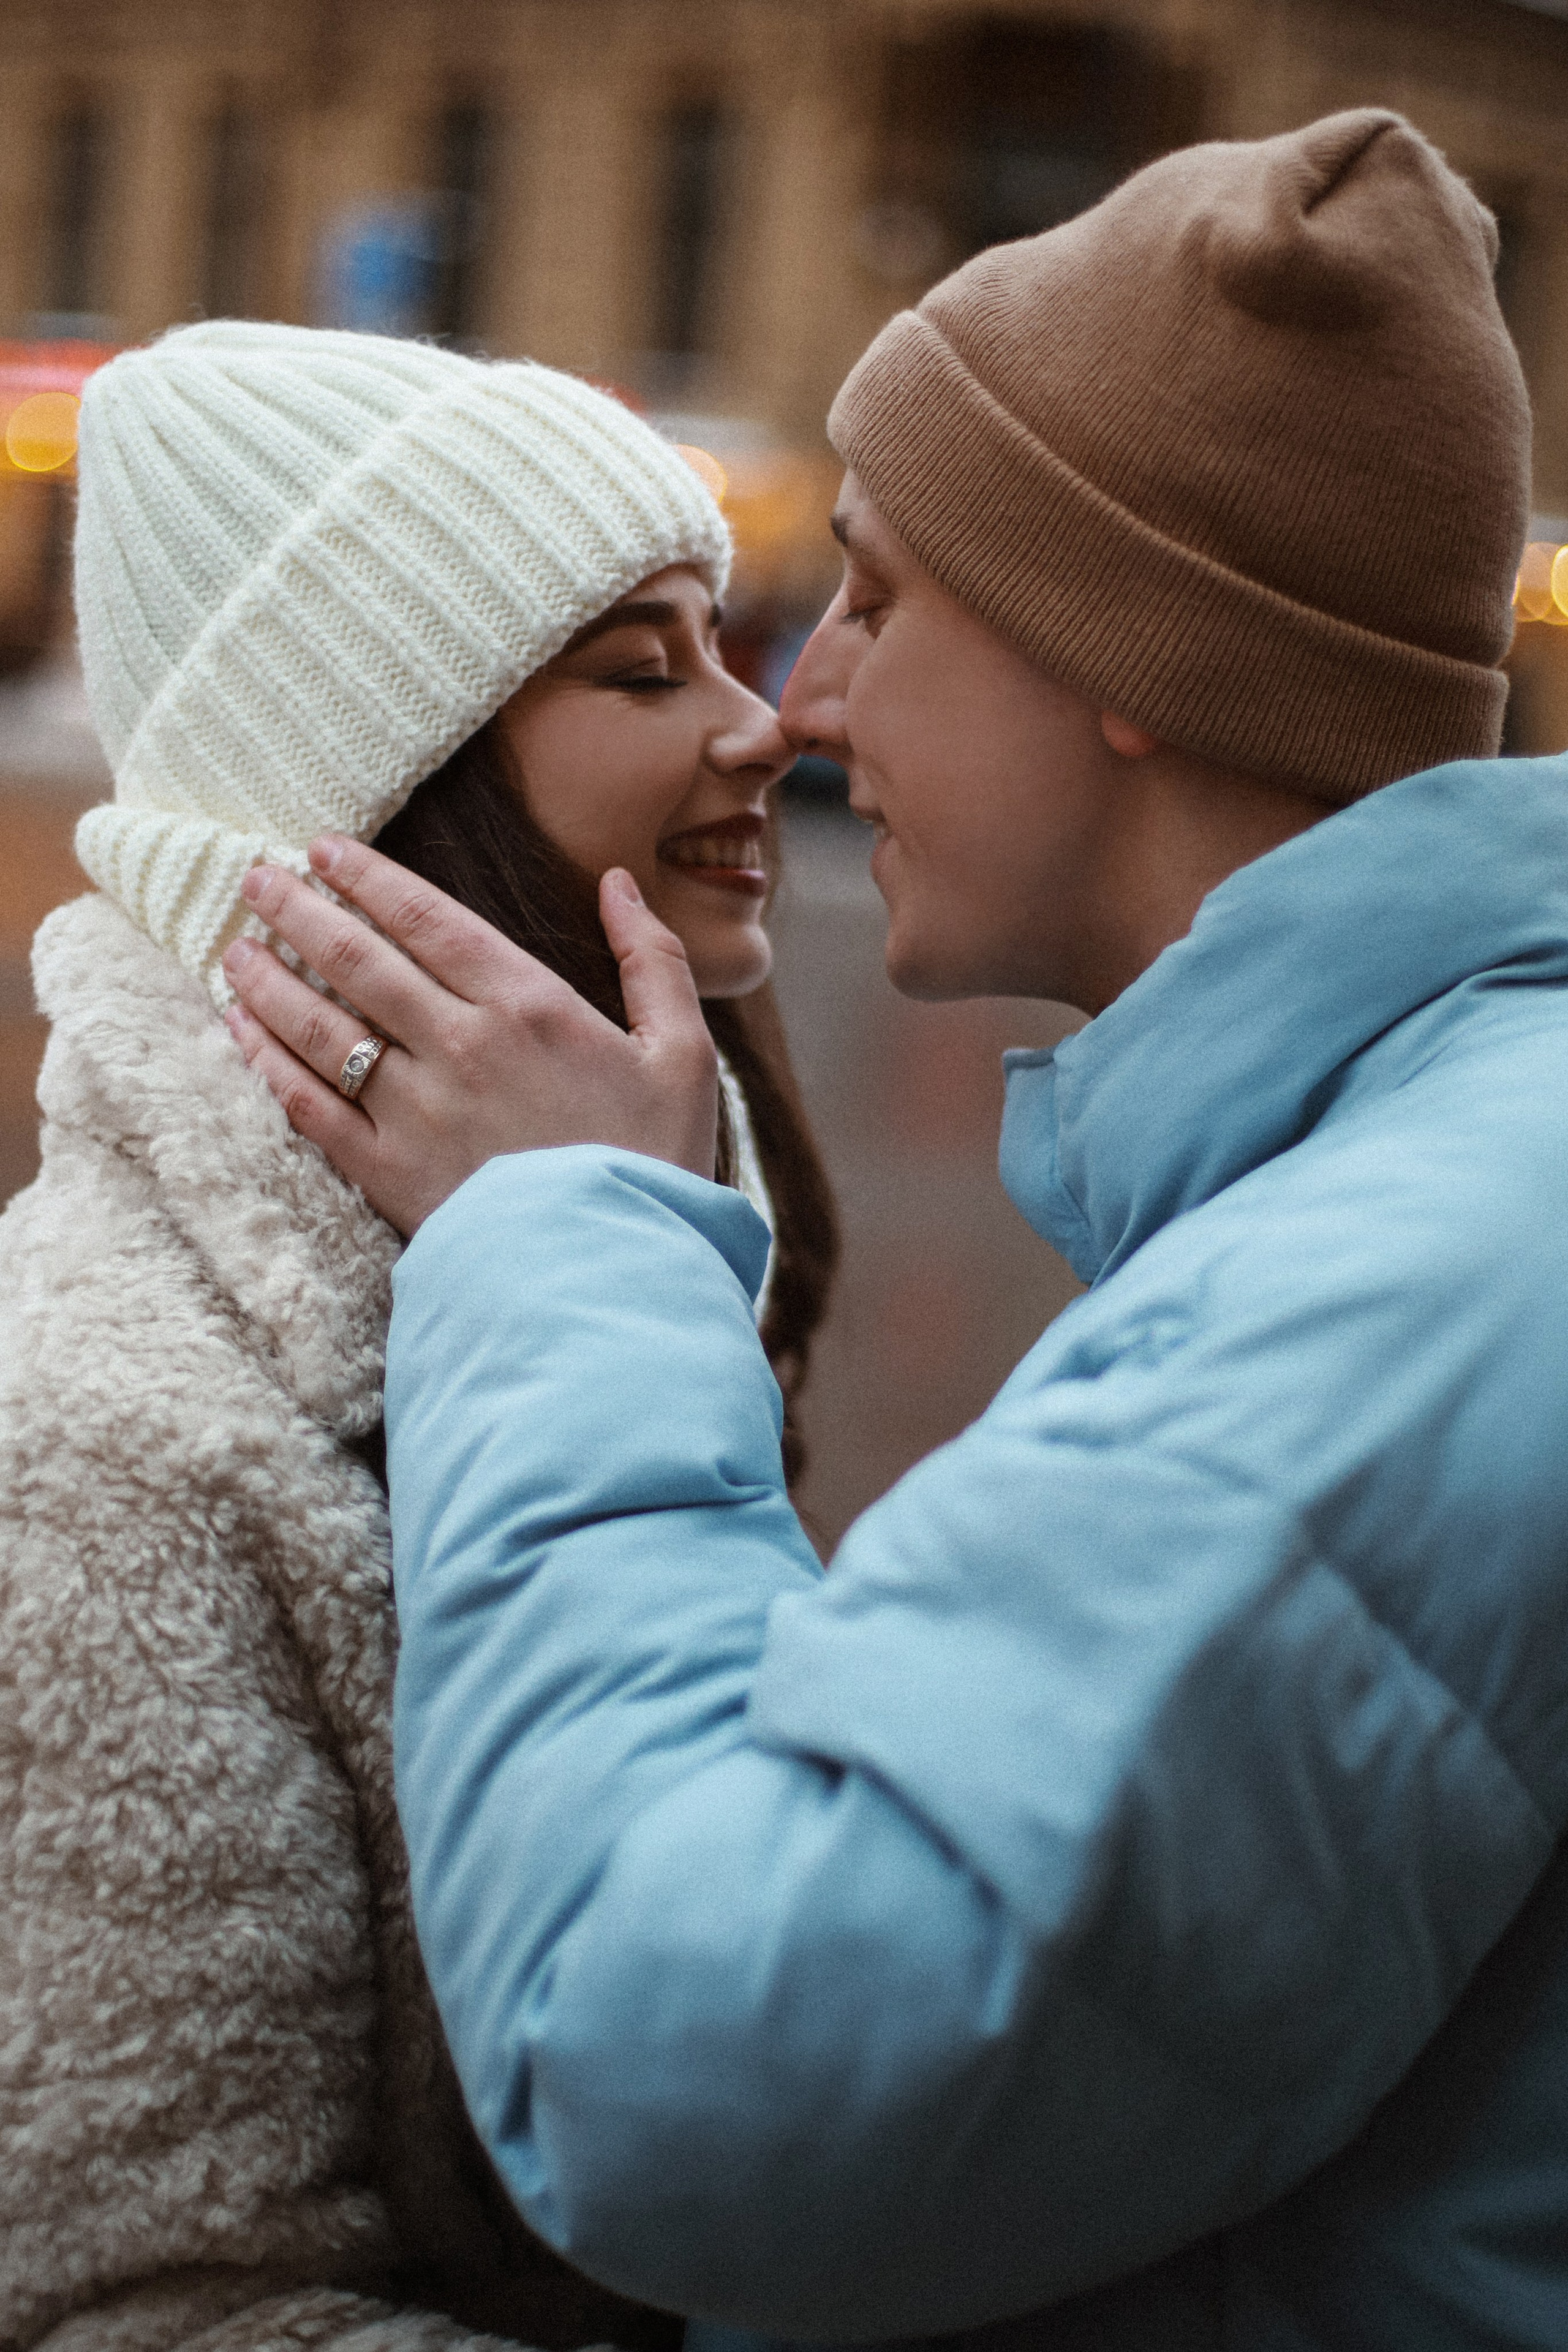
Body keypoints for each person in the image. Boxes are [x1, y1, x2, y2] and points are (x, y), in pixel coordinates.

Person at [222, 112, 1568, 2350]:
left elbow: (701, 2076)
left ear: (1127, 651)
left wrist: (570, 1239)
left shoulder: (1403, 1282)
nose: (805, 699)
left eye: (877, 595)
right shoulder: (1432, 1182)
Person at [0, 320, 834, 2352]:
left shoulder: (658, 1226)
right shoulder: (96, 1445)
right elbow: (159, 2303)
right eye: (645, 670)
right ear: (392, 768)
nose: (760, 727)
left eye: (728, 646)